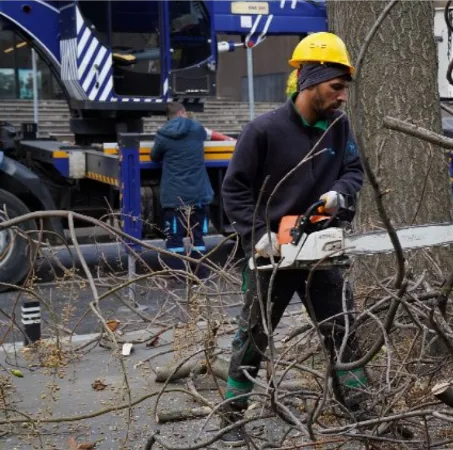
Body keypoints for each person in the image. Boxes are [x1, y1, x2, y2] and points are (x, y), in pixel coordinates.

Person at [219, 32, 368, 445]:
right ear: (311, 81)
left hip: (320, 248)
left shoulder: (338, 127)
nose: (342, 96)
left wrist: (340, 193)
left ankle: (361, 409)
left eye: (344, 88)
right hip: (272, 254)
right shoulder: (263, 130)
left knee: (342, 328)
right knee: (252, 336)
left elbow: (354, 170)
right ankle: (231, 419)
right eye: (336, 87)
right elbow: (234, 190)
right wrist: (258, 235)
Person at [150, 101, 214, 281]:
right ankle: (200, 274)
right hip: (199, 194)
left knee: (175, 239)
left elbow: (154, 157)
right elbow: (203, 135)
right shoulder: (197, 129)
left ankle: (178, 276)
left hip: (174, 196)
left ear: (168, 116)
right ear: (183, 112)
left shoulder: (163, 134)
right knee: (197, 238)